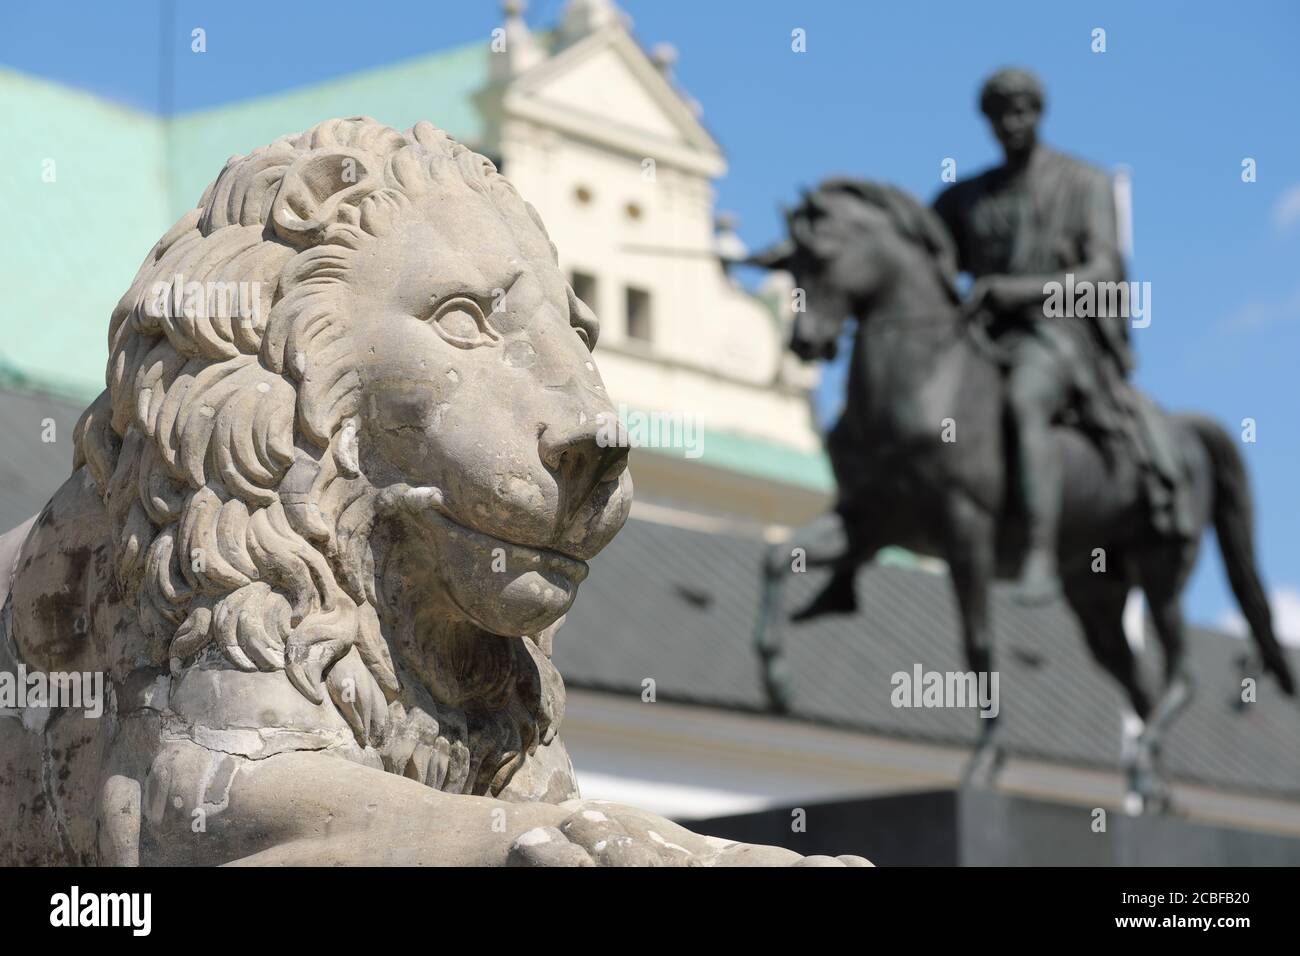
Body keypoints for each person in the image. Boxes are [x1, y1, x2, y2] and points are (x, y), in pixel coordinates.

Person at [933, 67, 1185, 605]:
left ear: (1039, 114)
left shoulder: (1085, 183)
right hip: (982, 338)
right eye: (1000, 114)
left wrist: (1021, 291)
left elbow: (1104, 274)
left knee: (1025, 399)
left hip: (1056, 334)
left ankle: (1041, 552)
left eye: (1022, 110)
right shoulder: (966, 199)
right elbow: (918, 251)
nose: (1012, 122)